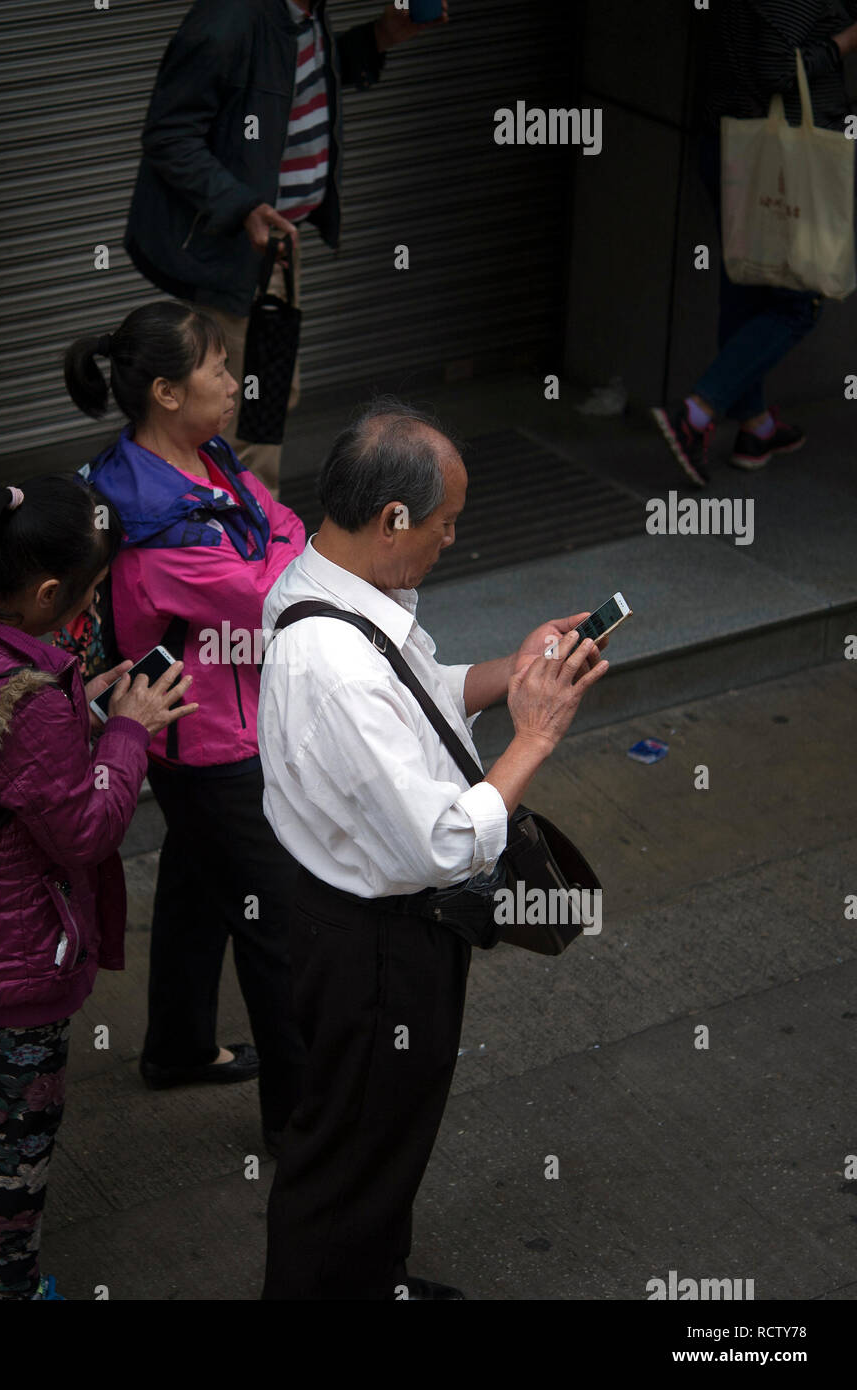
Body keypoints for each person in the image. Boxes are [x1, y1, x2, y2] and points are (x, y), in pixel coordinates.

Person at [256, 399, 611, 1300]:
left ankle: (374, 1277)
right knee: (352, 1145)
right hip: (375, 942)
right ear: (393, 520)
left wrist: (512, 671)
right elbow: (444, 842)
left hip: (376, 926)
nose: (453, 540)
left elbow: (422, 700)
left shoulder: (331, 589)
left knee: (386, 1132)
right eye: (447, 523)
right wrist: (534, 734)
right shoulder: (331, 665)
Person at [0, 475, 196, 1301]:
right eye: (88, 592)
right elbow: (86, 828)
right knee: (17, 1138)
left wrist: (76, 711)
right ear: (49, 592)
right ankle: (10, 1290)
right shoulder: (34, 704)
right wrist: (126, 728)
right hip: (18, 957)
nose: (90, 607)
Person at [64, 300, 308, 1156]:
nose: (234, 382)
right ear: (166, 391)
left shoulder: (197, 462)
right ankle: (299, 1128)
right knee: (276, 924)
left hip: (209, 724)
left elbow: (280, 524)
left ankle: (175, 1046)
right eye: (215, 367)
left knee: (202, 882)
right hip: (208, 740)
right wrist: (280, 555)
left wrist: (277, 549)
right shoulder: (153, 518)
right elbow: (269, 590)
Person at [124, 0, 448, 497]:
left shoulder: (303, 12)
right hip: (230, 254)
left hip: (274, 246)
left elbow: (284, 87)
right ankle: (221, 555)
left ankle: (253, 544)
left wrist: (378, 39)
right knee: (225, 421)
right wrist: (241, 206)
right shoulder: (227, 20)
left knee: (264, 408)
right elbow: (169, 134)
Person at [652, 0, 857, 485]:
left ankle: (756, 429)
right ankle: (697, 415)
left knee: (745, 289)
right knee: (799, 301)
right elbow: (775, 71)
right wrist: (846, 41)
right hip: (783, 163)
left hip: (734, 148)